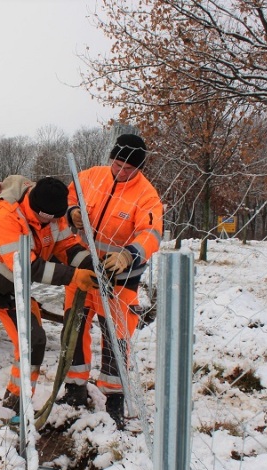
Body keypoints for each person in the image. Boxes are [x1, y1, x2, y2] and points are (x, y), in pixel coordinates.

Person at [0, 175, 98, 442]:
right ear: (32, 203)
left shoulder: (55, 214)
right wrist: (74, 277)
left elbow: (67, 248)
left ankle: (16, 404)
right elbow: (28, 266)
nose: (47, 223)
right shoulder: (2, 215)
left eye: (53, 218)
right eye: (43, 218)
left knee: (34, 340)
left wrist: (93, 264)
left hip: (10, 289)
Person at [61, 134, 164, 429]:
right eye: (117, 164)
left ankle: (115, 399)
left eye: (128, 168)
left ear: (139, 168)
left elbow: (151, 233)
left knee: (115, 338)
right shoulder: (91, 177)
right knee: (74, 327)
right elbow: (69, 196)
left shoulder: (146, 195)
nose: (121, 171)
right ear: (111, 159)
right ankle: (75, 389)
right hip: (83, 271)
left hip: (120, 278)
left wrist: (129, 255)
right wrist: (73, 212)